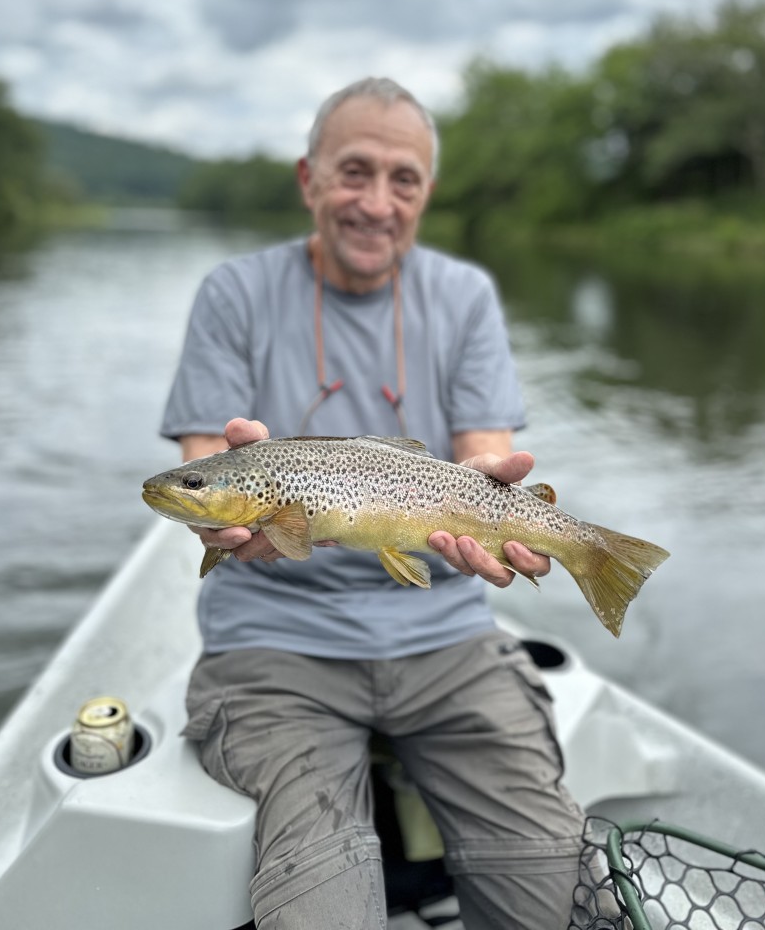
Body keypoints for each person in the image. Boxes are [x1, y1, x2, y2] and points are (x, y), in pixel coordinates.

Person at [160, 77, 585, 930]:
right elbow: (204, 463)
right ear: (307, 179)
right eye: (354, 172)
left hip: (448, 634)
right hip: (274, 642)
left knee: (552, 890)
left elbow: (485, 453)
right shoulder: (236, 293)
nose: (377, 203)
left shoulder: (463, 296)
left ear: (426, 194)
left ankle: (597, 554)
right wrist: (226, 491)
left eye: (405, 181)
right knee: (318, 898)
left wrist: (502, 503)